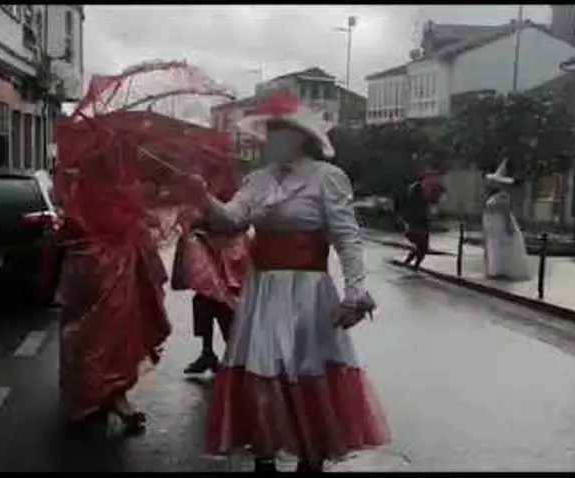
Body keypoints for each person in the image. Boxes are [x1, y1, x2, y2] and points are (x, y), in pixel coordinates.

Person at [190, 93, 389, 472]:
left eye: (279, 131)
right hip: (263, 293)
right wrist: (202, 195)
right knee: (263, 368)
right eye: (269, 131)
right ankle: (264, 452)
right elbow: (231, 220)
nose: (270, 139)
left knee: (307, 369)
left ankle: (310, 456)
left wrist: (355, 291)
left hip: (308, 296)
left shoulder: (327, 178)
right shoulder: (258, 179)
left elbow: (347, 238)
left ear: (300, 137)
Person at [56, 204, 172, 436]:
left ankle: (103, 396)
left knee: (106, 335)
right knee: (97, 336)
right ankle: (99, 396)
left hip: (102, 268)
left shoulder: (82, 191)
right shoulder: (88, 193)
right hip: (99, 269)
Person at [171, 210, 250, 374]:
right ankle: (208, 352)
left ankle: (232, 356)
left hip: (228, 242)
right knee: (205, 295)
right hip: (205, 239)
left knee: (223, 298)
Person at [482, 159, 530, 280]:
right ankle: (497, 270)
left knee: (503, 247)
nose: (492, 184)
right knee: (496, 247)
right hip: (494, 225)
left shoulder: (503, 196)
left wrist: (508, 225)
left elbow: (506, 212)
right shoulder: (493, 196)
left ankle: (504, 270)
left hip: (500, 223)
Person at [400, 170, 442, 271]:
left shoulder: (432, 190)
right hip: (414, 221)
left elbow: (434, 201)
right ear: (424, 179)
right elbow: (412, 204)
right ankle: (409, 263)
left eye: (434, 179)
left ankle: (413, 265)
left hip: (424, 222)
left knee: (423, 247)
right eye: (431, 178)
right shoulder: (415, 189)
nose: (433, 181)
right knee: (420, 243)